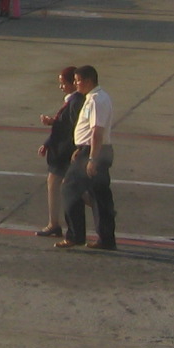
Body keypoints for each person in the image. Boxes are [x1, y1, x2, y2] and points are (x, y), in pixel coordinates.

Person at [56, 65, 117, 251]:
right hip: (93, 150)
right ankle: (106, 239)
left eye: (78, 80)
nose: (76, 84)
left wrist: (91, 158)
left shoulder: (96, 101)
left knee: (69, 188)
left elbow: (96, 132)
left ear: (89, 81)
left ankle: (75, 235)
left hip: (93, 152)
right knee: (99, 195)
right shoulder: (96, 97)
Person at [35, 67, 82, 237]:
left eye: (63, 83)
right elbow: (62, 126)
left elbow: (70, 128)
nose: (61, 87)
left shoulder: (76, 101)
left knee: (68, 187)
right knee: (59, 185)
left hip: (65, 152)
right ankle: (53, 223)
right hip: (62, 150)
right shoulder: (72, 100)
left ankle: (54, 224)